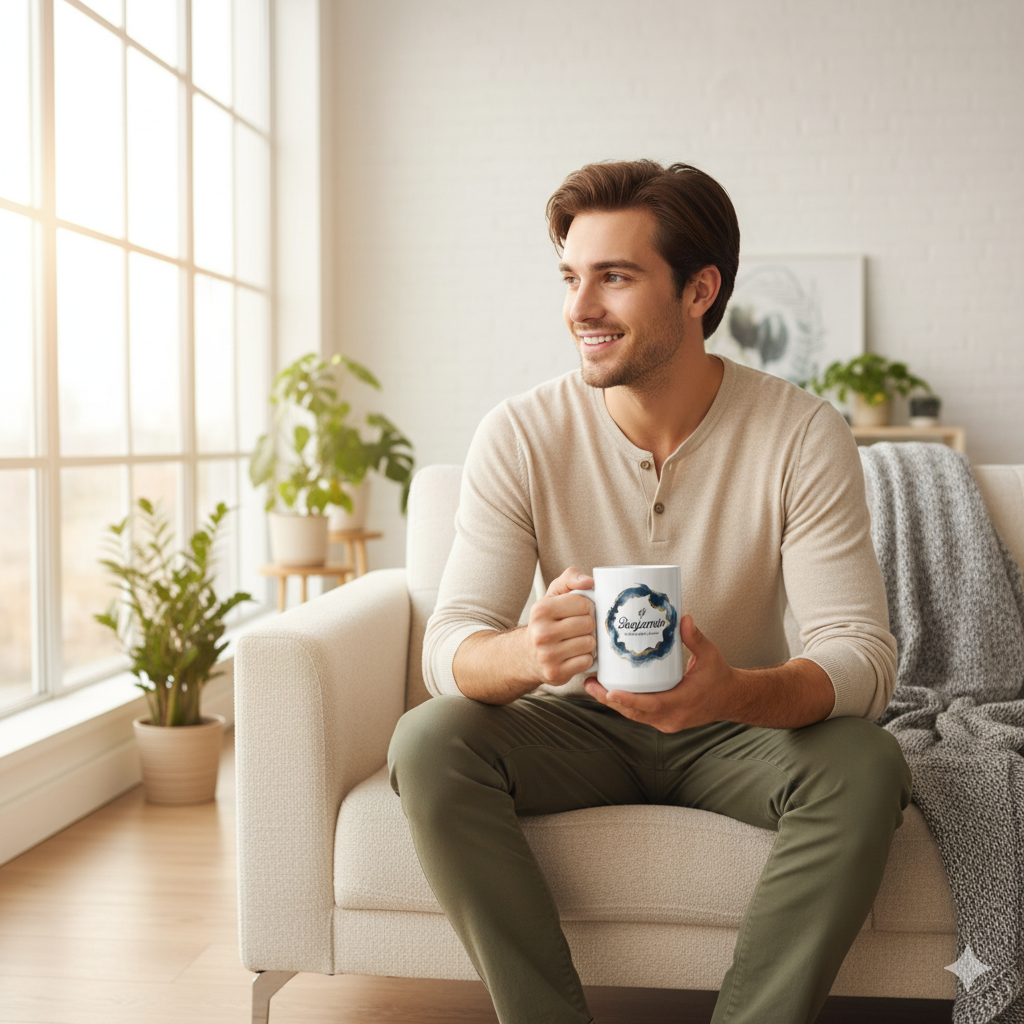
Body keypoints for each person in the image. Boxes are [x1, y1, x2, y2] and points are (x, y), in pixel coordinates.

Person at [388, 159, 913, 1024]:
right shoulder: (519, 433)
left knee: (866, 764)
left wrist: (734, 690)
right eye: (570, 277)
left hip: (735, 720)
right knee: (429, 741)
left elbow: (862, 653)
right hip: (574, 722)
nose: (580, 308)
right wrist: (522, 654)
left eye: (615, 277)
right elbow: (449, 644)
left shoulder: (803, 433)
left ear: (700, 290)